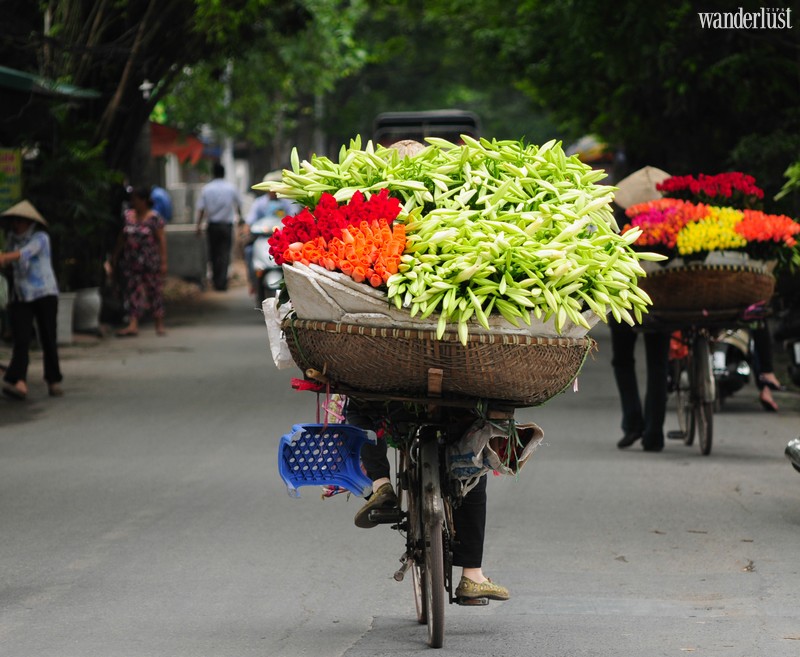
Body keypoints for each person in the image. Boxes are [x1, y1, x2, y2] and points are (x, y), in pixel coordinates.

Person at [346, 399, 510, 602]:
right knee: (472, 466)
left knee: (358, 407)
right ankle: (472, 574)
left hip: (390, 399)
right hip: (453, 397)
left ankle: (381, 484)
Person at [610, 166, 672, 452]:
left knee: (623, 360)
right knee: (658, 363)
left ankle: (633, 423)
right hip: (662, 297)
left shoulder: (617, 217)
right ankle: (654, 432)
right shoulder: (672, 221)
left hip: (624, 297)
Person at [0, 200, 64, 400]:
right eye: (14, 221)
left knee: (47, 337)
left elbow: (23, 254)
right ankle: (18, 381)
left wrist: (4, 258)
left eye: (20, 221)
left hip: (44, 293)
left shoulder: (40, 238)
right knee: (21, 339)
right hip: (22, 295)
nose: (16, 225)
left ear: (29, 222)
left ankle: (53, 380)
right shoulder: (11, 240)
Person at [109, 186, 167, 337]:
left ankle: (159, 323)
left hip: (150, 261)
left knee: (154, 291)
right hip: (131, 261)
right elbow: (122, 237)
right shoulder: (128, 216)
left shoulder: (154, 218)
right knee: (132, 291)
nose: (133, 202)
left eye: (136, 199)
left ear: (144, 201)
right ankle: (133, 324)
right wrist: (115, 255)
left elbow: (161, 241)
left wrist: (163, 262)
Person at [243, 170, 300, 294]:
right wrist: (247, 229)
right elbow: (249, 221)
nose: (273, 190)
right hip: (262, 238)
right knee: (248, 251)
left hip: (283, 239)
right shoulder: (259, 203)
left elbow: (294, 218)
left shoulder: (287, 202)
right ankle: (252, 282)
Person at [195, 162, 242, 291]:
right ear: (224, 173)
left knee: (214, 253)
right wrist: (240, 218)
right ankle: (222, 281)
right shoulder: (231, 188)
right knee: (225, 252)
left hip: (212, 225)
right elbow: (238, 205)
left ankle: (216, 281)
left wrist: (198, 225)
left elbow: (201, 209)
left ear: (213, 173)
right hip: (226, 225)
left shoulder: (207, 189)